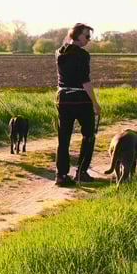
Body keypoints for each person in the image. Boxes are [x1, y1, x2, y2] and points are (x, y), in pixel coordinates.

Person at [55, 23, 101, 187]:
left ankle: (61, 175)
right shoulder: (83, 55)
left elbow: (65, 42)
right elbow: (85, 81)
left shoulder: (60, 53)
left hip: (64, 99)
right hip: (81, 99)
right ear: (78, 36)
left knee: (64, 138)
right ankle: (81, 172)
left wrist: (70, 38)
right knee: (89, 135)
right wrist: (95, 103)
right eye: (86, 36)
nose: (89, 39)